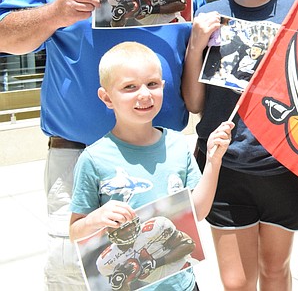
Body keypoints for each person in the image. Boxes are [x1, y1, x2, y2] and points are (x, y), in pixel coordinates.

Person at [0, 0, 204, 290]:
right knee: (77, 275)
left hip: (162, 157)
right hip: (78, 157)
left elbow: (195, 60)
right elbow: (5, 38)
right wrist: (53, 13)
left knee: (158, 275)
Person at [182, 0, 298, 291]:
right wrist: (196, 44)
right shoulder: (209, 17)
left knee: (276, 274)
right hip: (225, 167)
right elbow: (195, 104)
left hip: (284, 165)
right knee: (236, 283)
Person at [69, 42, 234, 291]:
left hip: (182, 285)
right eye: (129, 87)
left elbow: (197, 212)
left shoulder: (177, 145)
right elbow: (75, 231)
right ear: (106, 97)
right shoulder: (93, 159)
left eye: (152, 84)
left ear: (163, 87)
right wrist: (95, 219)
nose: (144, 94)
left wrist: (213, 161)